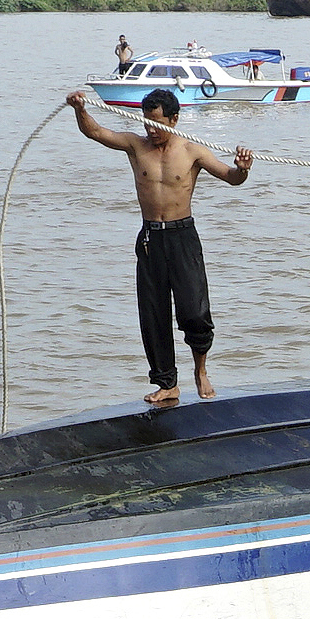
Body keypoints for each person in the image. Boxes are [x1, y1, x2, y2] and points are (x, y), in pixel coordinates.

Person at [67, 88, 254, 404]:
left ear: (174, 119)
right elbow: (95, 132)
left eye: (157, 123)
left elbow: (231, 177)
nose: (151, 130)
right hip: (151, 238)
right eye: (146, 122)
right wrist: (79, 109)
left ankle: (201, 370)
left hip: (182, 237)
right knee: (153, 314)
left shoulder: (193, 151)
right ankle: (167, 383)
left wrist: (243, 168)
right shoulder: (135, 146)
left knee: (193, 311)